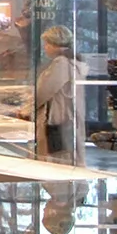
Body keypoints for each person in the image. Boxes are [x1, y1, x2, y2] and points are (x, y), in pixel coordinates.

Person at [33, 24, 83, 162]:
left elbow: (44, 90)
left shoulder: (61, 63)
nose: (45, 47)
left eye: (47, 44)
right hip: (68, 116)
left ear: (55, 44)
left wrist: (29, 106)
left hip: (57, 117)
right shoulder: (74, 61)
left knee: (55, 158)